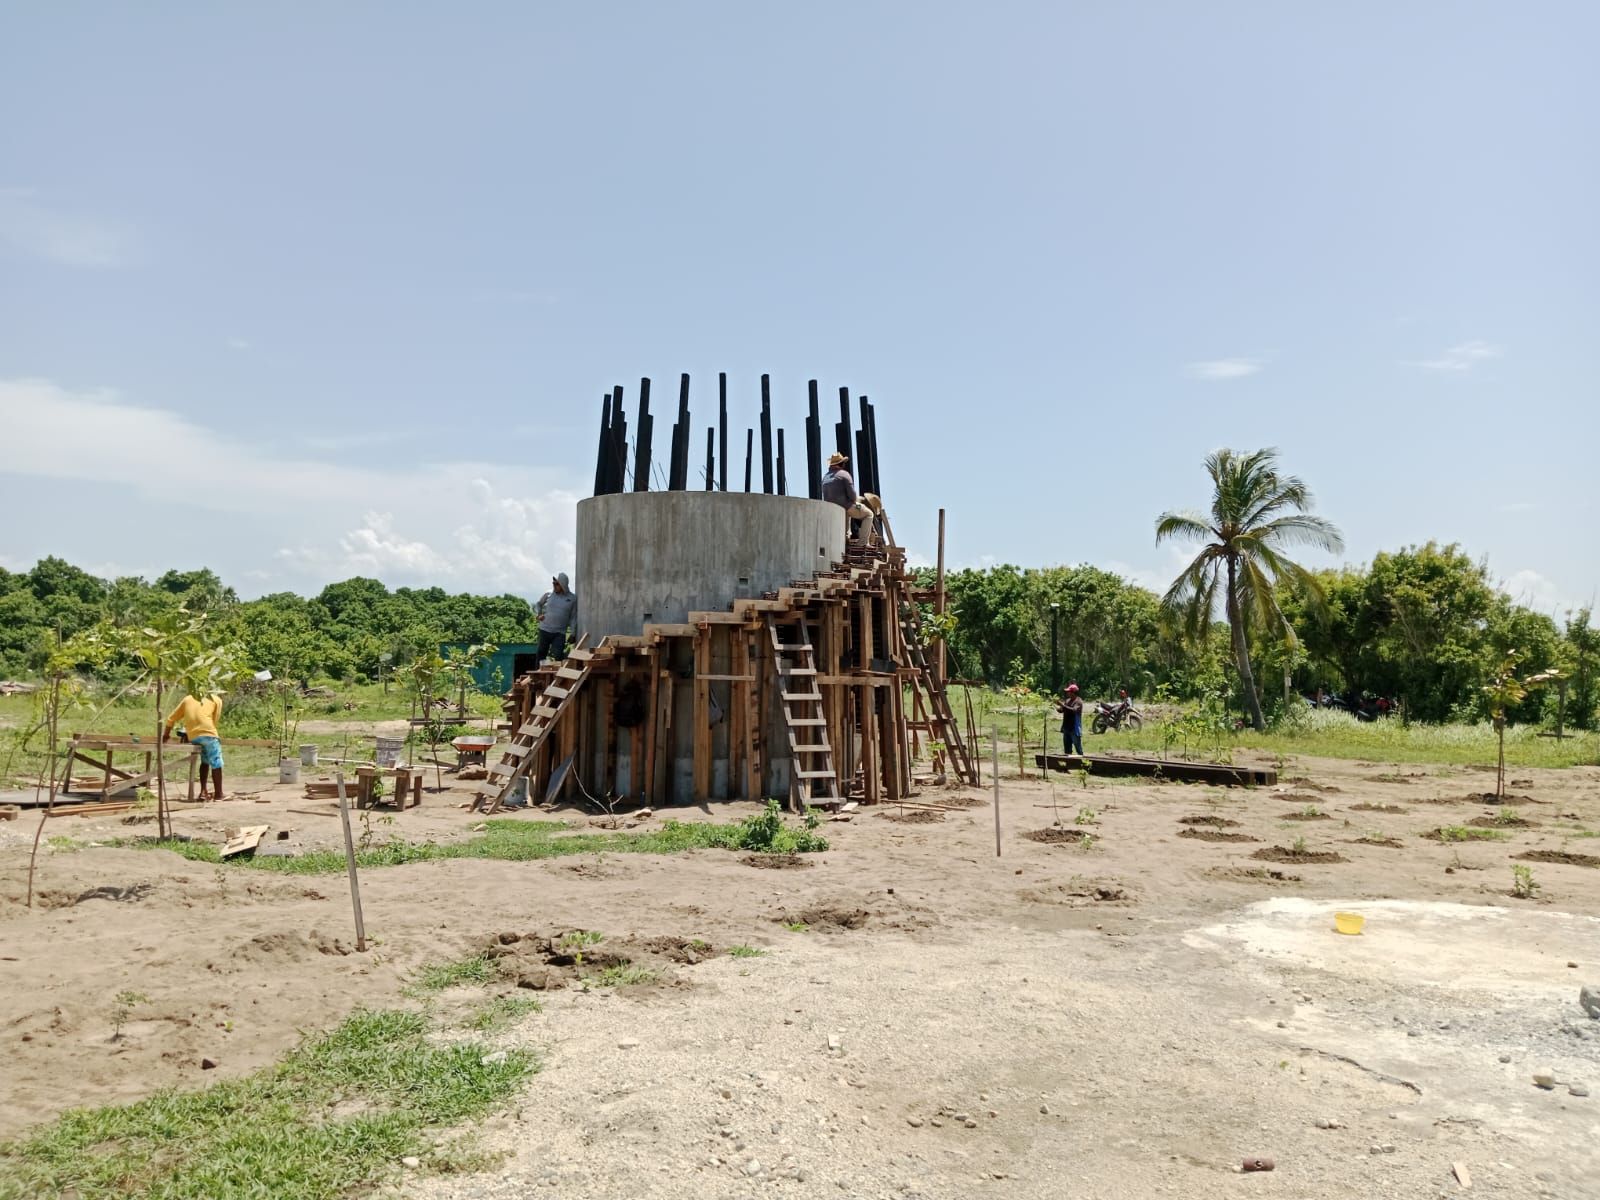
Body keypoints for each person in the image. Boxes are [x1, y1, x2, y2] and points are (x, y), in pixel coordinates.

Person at [162, 690, 225, 801]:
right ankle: (219, 794)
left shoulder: (187, 699)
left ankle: (203, 792)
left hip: (194, 736)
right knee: (216, 762)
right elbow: (214, 721)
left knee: (205, 762)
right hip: (209, 734)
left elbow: (171, 719)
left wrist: (166, 735)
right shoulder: (216, 699)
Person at [821, 452, 878, 546]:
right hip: (846, 506)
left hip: (831, 507)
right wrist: (857, 501)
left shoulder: (825, 477)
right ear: (841, 464)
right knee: (868, 514)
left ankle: (846, 539)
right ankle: (863, 543)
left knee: (847, 513)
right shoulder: (844, 474)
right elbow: (852, 496)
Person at [535, 572, 577, 664]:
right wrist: (539, 614)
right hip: (545, 630)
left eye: (556, 584)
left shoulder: (572, 598)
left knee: (558, 656)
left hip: (559, 633)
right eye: (553, 583)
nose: (554, 585)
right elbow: (538, 604)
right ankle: (537, 676)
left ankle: (557, 676)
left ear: (563, 585)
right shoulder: (549, 594)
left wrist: (573, 633)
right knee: (541, 654)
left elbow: (573, 617)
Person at [1057, 683, 1084, 756]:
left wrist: (1062, 705)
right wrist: (1058, 707)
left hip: (1074, 728)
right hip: (1066, 728)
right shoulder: (1067, 700)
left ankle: (1083, 763)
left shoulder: (1078, 701)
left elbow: (1073, 710)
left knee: (1078, 749)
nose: (1068, 693)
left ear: (1073, 693)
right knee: (1067, 750)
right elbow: (1062, 710)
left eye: (1069, 692)